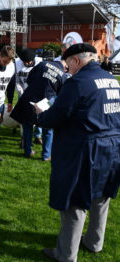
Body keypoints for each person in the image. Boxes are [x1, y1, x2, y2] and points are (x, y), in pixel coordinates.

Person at [34, 43, 120, 262]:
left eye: (67, 64)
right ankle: (94, 242)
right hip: (112, 147)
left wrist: (41, 115)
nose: (67, 69)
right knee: (101, 196)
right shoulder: (112, 80)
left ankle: (65, 254)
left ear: (76, 60)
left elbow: (57, 116)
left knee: (75, 201)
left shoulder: (78, 82)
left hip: (85, 149)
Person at [10, 57, 67, 160]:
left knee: (27, 125)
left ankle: (28, 152)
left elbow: (29, 78)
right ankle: (46, 155)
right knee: (47, 129)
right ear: (65, 65)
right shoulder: (63, 75)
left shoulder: (42, 64)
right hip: (47, 102)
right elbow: (60, 93)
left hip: (30, 96)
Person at [15, 48, 43, 156]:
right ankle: (24, 140)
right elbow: (17, 80)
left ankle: (38, 136)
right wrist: (22, 93)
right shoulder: (17, 63)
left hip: (37, 94)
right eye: (25, 62)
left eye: (29, 62)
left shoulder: (40, 63)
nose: (27, 63)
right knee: (26, 120)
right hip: (23, 93)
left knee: (39, 117)